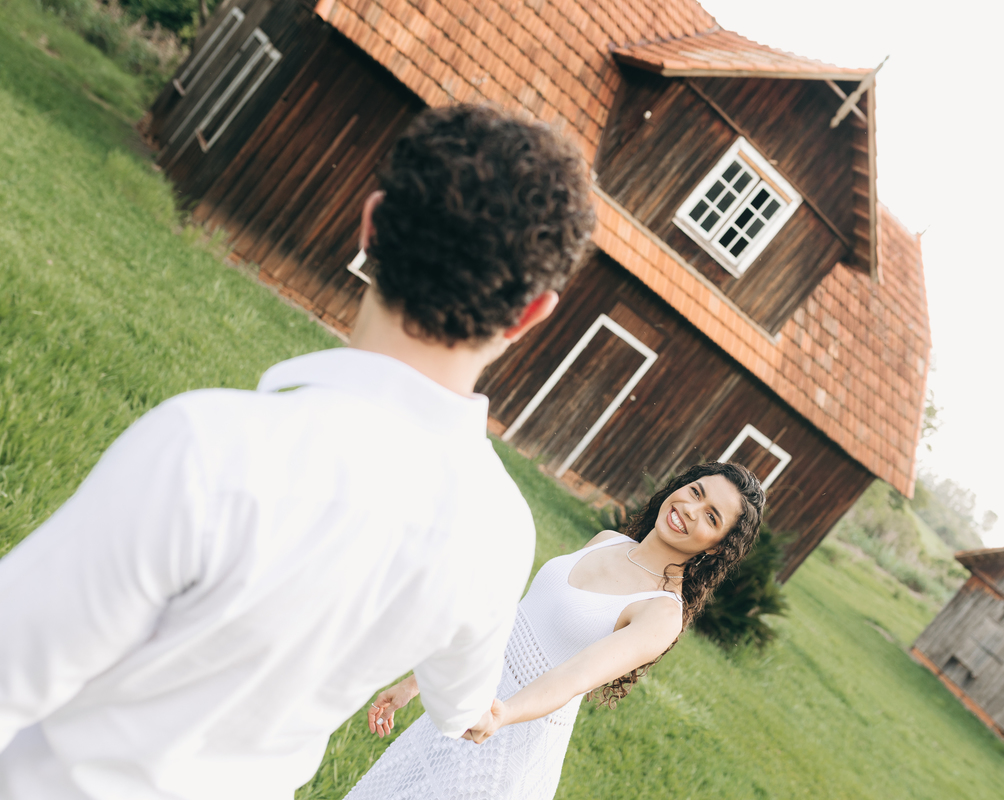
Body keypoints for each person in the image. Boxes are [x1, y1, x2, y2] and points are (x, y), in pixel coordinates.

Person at [0, 104, 595, 800]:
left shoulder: (207, 446)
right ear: (531, 314)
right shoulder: (500, 531)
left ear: (371, 227)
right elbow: (461, 703)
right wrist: (483, 715)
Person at [344, 461, 765, 800]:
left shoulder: (661, 613)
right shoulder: (606, 540)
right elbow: (510, 622)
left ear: (716, 547)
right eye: (696, 492)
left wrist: (503, 715)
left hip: (507, 743)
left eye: (711, 517)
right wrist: (421, 681)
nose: (691, 509)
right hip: (467, 705)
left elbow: (574, 676)